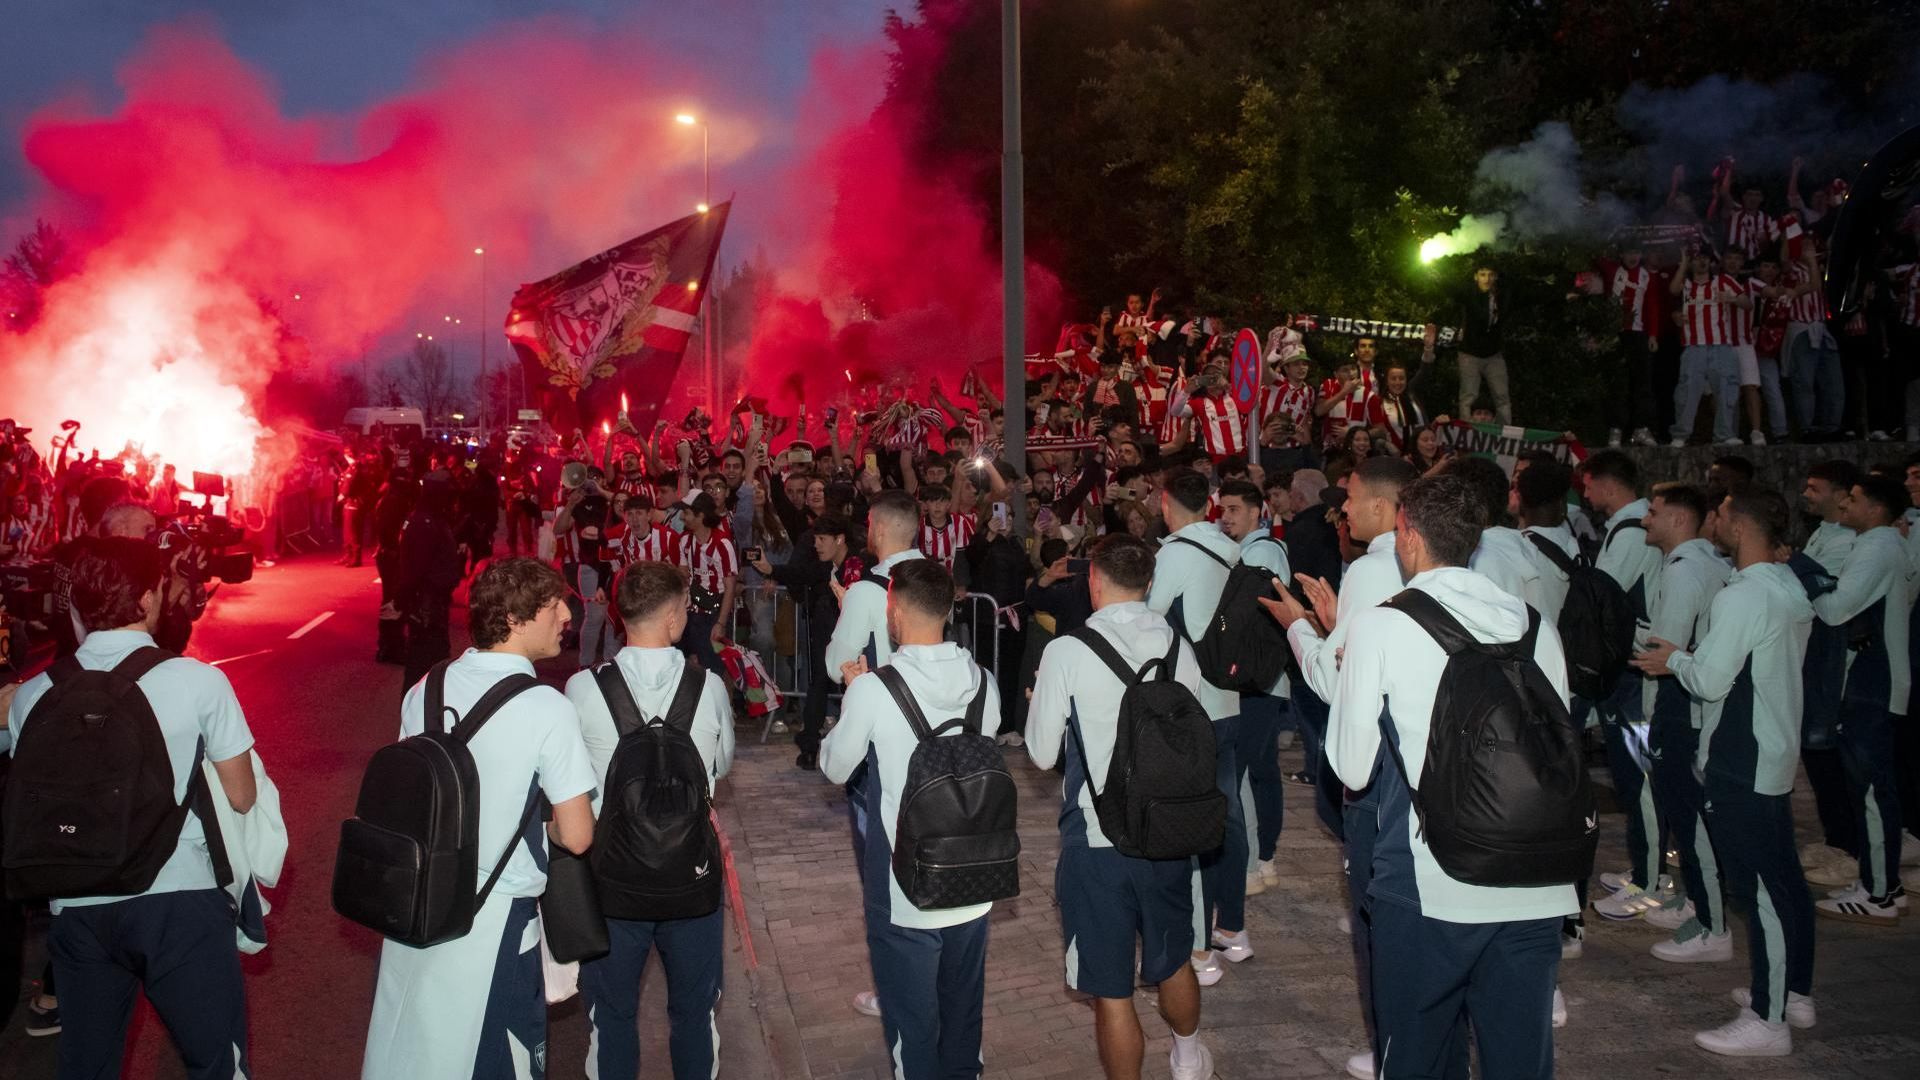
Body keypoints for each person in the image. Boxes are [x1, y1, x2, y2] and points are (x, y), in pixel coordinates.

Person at [1326, 472, 1578, 1077]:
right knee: (1520, 1062)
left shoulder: (1382, 624)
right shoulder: (1536, 625)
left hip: (1430, 881)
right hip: (1537, 879)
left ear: (1407, 535)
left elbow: (1351, 767)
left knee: (1418, 1059)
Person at [4, 537, 259, 1079]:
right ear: (150, 599)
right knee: (216, 1061)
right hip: (177, 900)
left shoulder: (32, 697)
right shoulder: (199, 682)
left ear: (74, 607)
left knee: (87, 1065)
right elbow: (242, 795)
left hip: (76, 906)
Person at [362, 558, 597, 1080]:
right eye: (553, 603)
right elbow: (578, 836)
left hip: (420, 905)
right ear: (515, 619)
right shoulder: (546, 707)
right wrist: (543, 828)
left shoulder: (429, 685)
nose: (566, 613)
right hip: (496, 918)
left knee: (415, 1052)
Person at [1631, 488, 1816, 1056]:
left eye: (1724, 513)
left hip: (1745, 754)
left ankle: (1769, 1019)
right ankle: (1792, 994)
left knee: (1761, 890)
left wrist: (1672, 659)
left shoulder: (1746, 595)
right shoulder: (1783, 583)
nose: (1716, 519)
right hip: (1772, 748)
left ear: (1738, 528)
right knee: (1782, 879)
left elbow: (1709, 680)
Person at [1025, 534, 1215, 1080]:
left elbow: (1040, 755)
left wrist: (1041, 701)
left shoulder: (1067, 650)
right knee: (1174, 956)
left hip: (1098, 837)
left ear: (1094, 581)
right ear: (1149, 582)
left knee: (1111, 990)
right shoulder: (1180, 648)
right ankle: (1187, 1058)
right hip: (1169, 830)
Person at [1262, 455, 1419, 1080]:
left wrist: (1301, 628)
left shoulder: (1373, 566)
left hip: (1379, 763)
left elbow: (1336, 682)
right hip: (1428, 760)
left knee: (1378, 913)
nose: (1342, 509)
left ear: (1385, 506)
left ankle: (1392, 1050)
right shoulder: (1431, 567)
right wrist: (1334, 626)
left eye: (1350, 497)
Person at [819, 558, 1001, 1080]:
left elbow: (835, 768)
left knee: (911, 1026)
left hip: (905, 884)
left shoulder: (877, 689)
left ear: (893, 609)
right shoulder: (984, 683)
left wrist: (855, 691)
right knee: (964, 1013)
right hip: (972, 872)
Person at [567, 560, 735, 1080]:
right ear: (671, 617)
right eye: (686, 607)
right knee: (693, 1012)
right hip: (692, 882)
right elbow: (720, 766)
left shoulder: (582, 688)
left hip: (612, 885)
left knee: (612, 1016)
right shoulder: (707, 687)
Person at [822, 489, 925, 1018]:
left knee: (881, 872)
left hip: (882, 748)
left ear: (877, 529)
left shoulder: (867, 590)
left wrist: (848, 609)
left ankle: (894, 989)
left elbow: (836, 664)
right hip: (936, 744)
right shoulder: (935, 577)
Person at [1146, 467, 1246, 986]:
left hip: (1192, 708)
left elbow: (1147, 617)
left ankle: (1201, 950)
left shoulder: (1177, 553)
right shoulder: (1231, 547)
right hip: (1229, 700)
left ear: (1167, 504)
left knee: (1194, 828)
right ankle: (1233, 928)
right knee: (1225, 821)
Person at [1808, 474, 1914, 925]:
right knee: (1872, 788)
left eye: (1854, 498)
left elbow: (1834, 610)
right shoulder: (1882, 543)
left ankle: (1879, 894)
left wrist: (1804, 573)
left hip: (1871, 684)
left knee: (1871, 791)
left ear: (1876, 507)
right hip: (1874, 681)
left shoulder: (1877, 546)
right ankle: (1883, 884)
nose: (1845, 503)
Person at [1635, 483, 1733, 961]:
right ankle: (1697, 901)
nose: (1645, 520)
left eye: (1653, 513)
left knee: (1689, 817)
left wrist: (1652, 714)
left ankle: (1713, 928)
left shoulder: (1682, 571)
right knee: (1690, 814)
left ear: (1678, 520)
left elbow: (1663, 652)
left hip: (1681, 704)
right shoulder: (1710, 562)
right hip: (1698, 702)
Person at [1578, 450, 1667, 919]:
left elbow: (1604, 598)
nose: (1585, 495)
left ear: (1606, 485)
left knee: (1641, 777)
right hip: (1629, 670)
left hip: (1635, 673)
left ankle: (1652, 882)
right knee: (1633, 775)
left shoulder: (1632, 531)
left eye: (1588, 486)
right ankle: (1646, 869)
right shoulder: (1628, 528)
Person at [1215, 478, 1288, 892]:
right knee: (1260, 770)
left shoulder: (1259, 552)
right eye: (1222, 510)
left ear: (1256, 511)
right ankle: (1264, 860)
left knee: (1244, 770)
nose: (1226, 518)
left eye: (1234, 510)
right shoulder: (1258, 550)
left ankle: (1253, 864)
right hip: (1265, 679)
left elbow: (1242, 616)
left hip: (1256, 679)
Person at [1797, 461, 1862, 886]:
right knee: (1817, 757)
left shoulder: (1850, 542)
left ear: (1841, 496)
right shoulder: (1825, 532)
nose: (1806, 494)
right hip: (1814, 658)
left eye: (1814, 488)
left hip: (1837, 667)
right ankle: (1837, 840)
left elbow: (1828, 598)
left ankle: (1849, 847)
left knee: (1831, 757)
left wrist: (1797, 566)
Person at [397, 477, 465, 688]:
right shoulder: (423, 523)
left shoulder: (433, 519)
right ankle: (417, 714)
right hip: (426, 604)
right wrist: (405, 600)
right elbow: (416, 568)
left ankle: (428, 710)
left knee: (433, 661)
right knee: (424, 663)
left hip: (434, 600)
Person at [675, 491, 739, 676]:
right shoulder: (685, 541)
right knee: (688, 665)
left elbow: (730, 587)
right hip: (692, 612)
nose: (682, 516)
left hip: (714, 613)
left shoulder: (722, 544)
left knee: (715, 670)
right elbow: (683, 575)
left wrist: (720, 623)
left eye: (686, 512)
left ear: (700, 515)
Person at [1441, 265, 1513, 425]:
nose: (1486, 279)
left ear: (1495, 277)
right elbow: (1451, 289)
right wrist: (1434, 274)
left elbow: (1528, 297)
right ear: (1476, 277)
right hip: (1469, 354)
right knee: (1468, 396)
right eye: (1482, 274)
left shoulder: (1502, 295)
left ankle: (1504, 436)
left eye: (1490, 275)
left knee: (1502, 397)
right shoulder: (1470, 293)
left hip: (1493, 354)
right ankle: (1468, 436)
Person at [1514, 457, 1579, 624]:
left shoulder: (1516, 548)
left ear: (1521, 499)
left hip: (1533, 644)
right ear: (1562, 502)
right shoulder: (1575, 546)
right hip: (1570, 645)